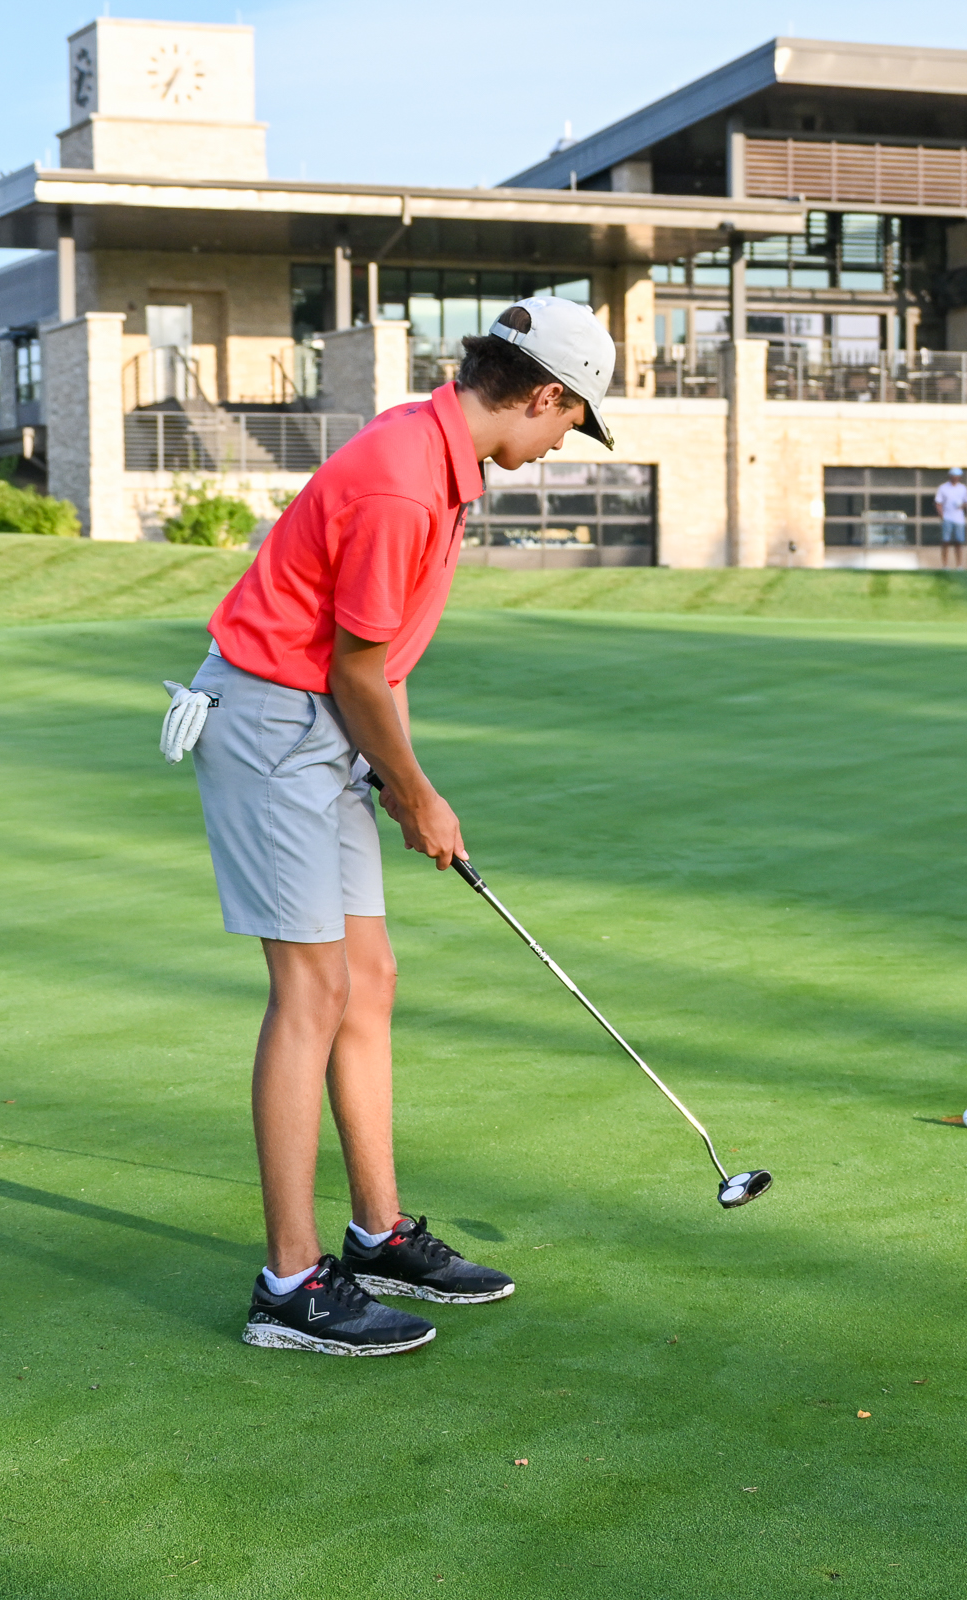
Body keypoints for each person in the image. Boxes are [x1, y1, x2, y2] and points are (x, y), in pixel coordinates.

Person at [168, 296, 615, 1355]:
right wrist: (415, 795)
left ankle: (377, 1234)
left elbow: (382, 666)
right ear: (542, 394)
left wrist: (403, 775)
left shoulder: (437, 456)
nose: (565, 441)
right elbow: (353, 669)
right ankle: (288, 1285)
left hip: (325, 725)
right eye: (572, 419)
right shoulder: (405, 482)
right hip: (273, 724)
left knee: (368, 979)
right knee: (311, 992)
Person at [933, 467, 967, 568]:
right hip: (947, 518)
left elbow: (966, 502)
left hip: (959, 519)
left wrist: (961, 505)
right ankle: (945, 564)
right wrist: (942, 515)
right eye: (953, 476)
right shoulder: (943, 488)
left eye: (957, 476)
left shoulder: (963, 488)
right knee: (946, 541)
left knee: (959, 542)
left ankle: (959, 564)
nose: (955, 478)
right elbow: (938, 502)